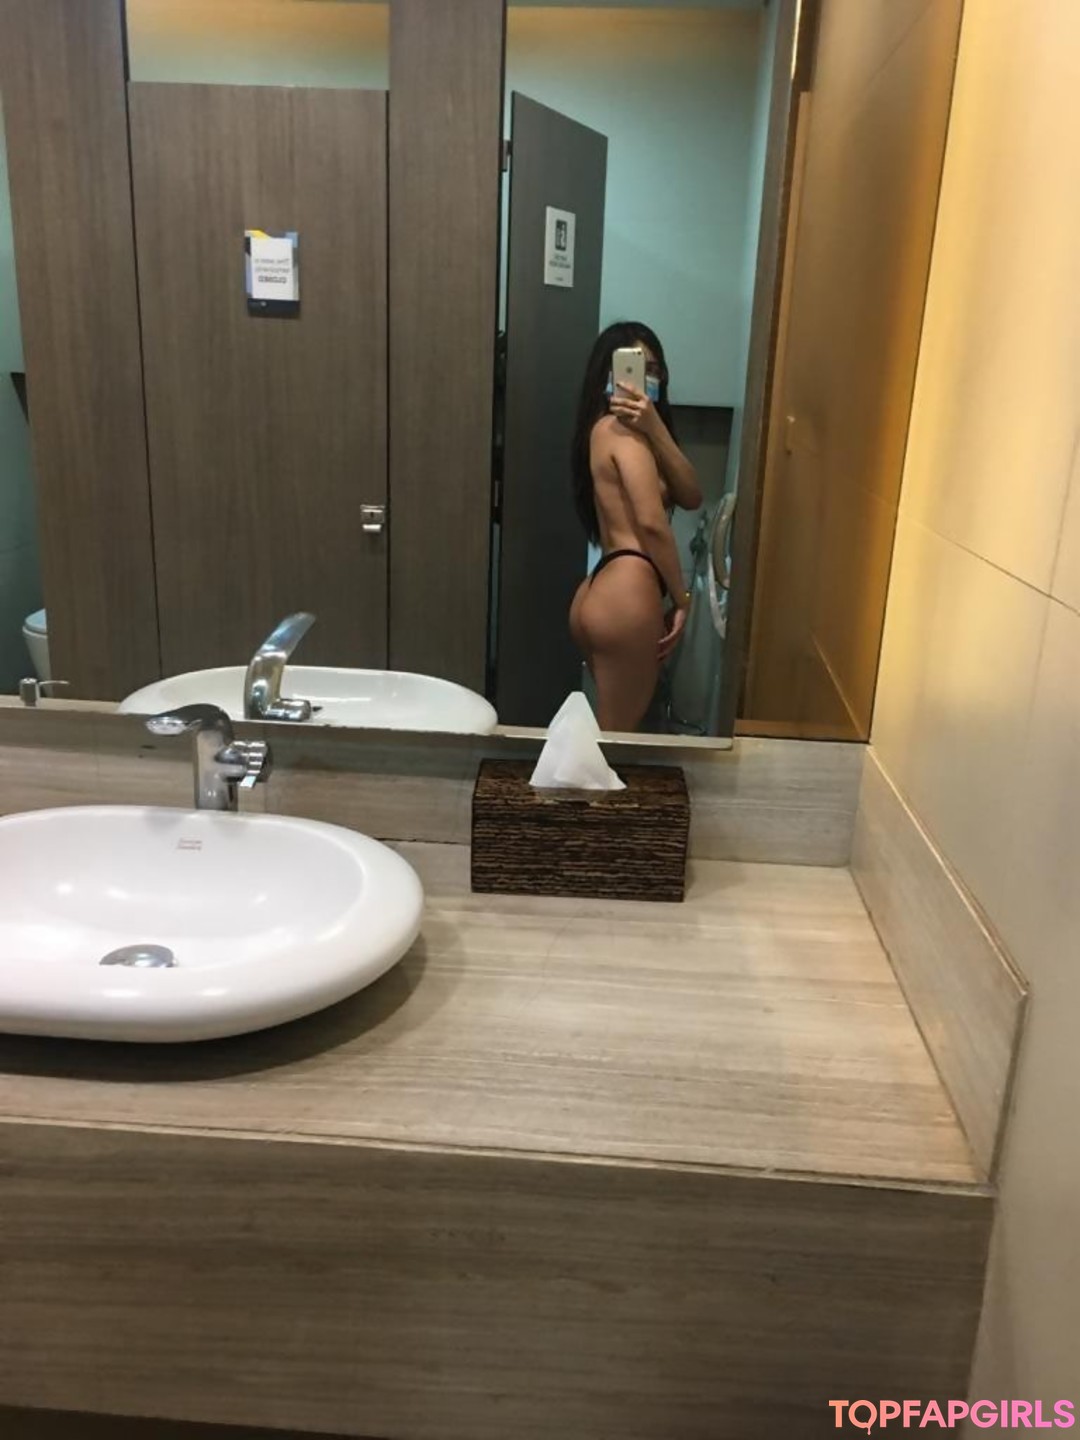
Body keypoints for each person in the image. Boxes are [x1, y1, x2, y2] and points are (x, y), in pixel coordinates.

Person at [569, 322, 703, 732]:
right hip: (627, 595)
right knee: (616, 743)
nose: (647, 377)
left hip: (603, 587)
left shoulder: (608, 431)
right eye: (636, 367)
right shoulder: (623, 434)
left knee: (609, 734)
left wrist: (655, 427)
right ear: (608, 375)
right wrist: (681, 598)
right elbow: (652, 523)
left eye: (654, 369)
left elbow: (692, 494)